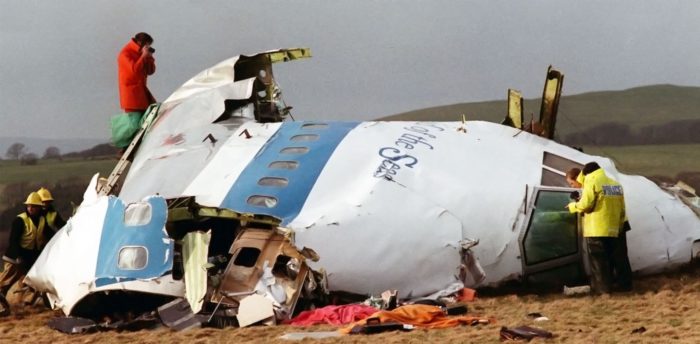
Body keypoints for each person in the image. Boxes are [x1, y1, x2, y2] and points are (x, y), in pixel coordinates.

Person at [566, 162, 631, 293]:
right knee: (620, 258)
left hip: (597, 228)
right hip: (616, 226)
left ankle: (603, 290)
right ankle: (625, 286)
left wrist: (572, 207)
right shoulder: (615, 184)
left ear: (583, 175)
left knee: (599, 261)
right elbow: (622, 208)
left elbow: (586, 204)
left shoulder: (592, 181)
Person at [0, 192, 53, 303]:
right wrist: (18, 256)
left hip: (29, 259)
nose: (30, 208)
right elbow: (13, 241)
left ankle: (28, 304)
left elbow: (50, 235)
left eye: (33, 206)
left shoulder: (42, 220)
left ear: (39, 207)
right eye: (29, 206)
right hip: (14, 259)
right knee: (5, 283)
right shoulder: (20, 220)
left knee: (32, 282)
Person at [118, 32, 156, 114]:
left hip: (143, 92)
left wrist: (149, 57)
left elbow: (150, 71)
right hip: (132, 97)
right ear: (141, 43)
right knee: (135, 123)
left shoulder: (142, 53)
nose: (148, 47)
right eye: (147, 44)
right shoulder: (125, 54)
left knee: (153, 114)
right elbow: (134, 71)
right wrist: (143, 56)